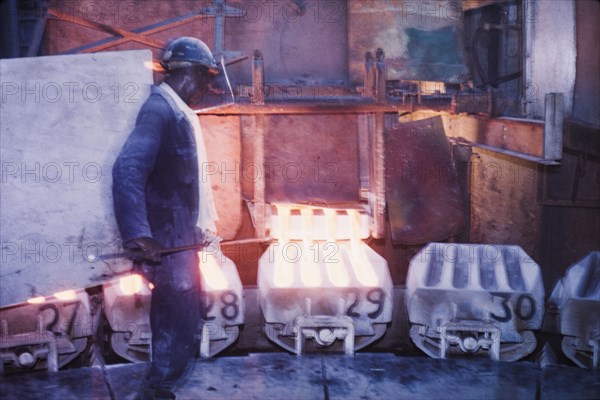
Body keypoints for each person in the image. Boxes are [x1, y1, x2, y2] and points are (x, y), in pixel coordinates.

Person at [112, 37, 219, 400]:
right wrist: (139, 233)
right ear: (187, 74)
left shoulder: (176, 109)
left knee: (184, 315)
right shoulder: (159, 110)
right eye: (206, 78)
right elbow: (128, 167)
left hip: (181, 236)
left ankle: (159, 388)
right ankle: (157, 390)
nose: (208, 86)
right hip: (169, 238)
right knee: (178, 317)